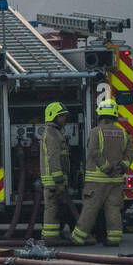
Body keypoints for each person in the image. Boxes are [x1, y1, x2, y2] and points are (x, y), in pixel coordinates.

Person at [69, 99, 133, 247]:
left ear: (100, 115)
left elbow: (93, 151)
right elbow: (130, 153)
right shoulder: (123, 133)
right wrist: (122, 167)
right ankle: (114, 239)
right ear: (115, 115)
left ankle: (78, 238)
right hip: (116, 181)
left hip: (96, 180)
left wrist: (106, 168)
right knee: (114, 209)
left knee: (90, 210)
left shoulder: (95, 132)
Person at [39, 102, 72, 242]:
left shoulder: (55, 132)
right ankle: (51, 237)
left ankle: (52, 235)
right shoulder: (52, 134)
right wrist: (59, 179)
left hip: (54, 180)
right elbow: (53, 157)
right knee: (52, 209)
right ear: (53, 117)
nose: (64, 119)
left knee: (55, 209)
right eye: (61, 116)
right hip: (53, 181)